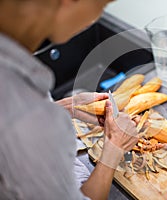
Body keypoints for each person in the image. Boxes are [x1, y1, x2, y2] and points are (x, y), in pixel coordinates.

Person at [0, 0, 138, 199]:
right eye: (101, 5)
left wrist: (66, 108)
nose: (96, 18)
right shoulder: (25, 117)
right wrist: (114, 147)